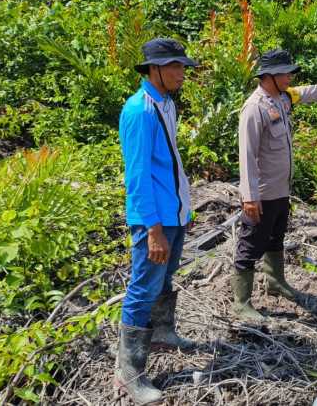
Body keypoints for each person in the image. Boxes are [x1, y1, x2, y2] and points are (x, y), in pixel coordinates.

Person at [115, 38, 199, 405]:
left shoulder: (166, 104)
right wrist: (153, 230)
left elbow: (170, 164)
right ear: (154, 70)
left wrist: (184, 211)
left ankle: (164, 333)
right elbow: (138, 175)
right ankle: (128, 373)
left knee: (164, 278)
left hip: (173, 213)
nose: (182, 73)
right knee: (143, 288)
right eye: (175, 67)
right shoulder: (140, 110)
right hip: (155, 220)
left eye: (183, 66)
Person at [232, 48, 317, 321]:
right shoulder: (254, 108)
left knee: (276, 237)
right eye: (285, 72)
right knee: (250, 244)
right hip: (262, 193)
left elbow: (303, 92)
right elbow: (247, 155)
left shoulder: (281, 98)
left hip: (281, 190)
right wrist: (249, 197)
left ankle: (276, 282)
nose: (290, 76)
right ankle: (241, 302)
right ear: (269, 76)